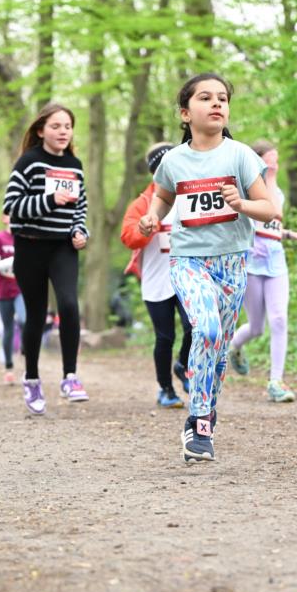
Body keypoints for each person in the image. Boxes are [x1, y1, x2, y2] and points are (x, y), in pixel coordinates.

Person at [139, 74, 277, 464]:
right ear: (186, 113)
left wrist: (241, 204)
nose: (216, 103)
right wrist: (152, 217)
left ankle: (205, 410)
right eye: (205, 98)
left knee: (216, 352)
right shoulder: (173, 160)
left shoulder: (240, 155)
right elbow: (162, 198)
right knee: (207, 328)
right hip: (188, 260)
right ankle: (198, 422)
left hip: (233, 261)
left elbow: (269, 210)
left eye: (222, 98)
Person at [3, 101, 89, 414]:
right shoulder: (28, 162)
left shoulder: (74, 164)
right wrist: (50, 199)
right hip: (30, 246)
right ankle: (32, 379)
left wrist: (81, 231)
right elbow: (12, 206)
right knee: (36, 314)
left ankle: (70, 377)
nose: (63, 131)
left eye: (67, 126)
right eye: (56, 126)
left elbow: (80, 207)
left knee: (69, 304)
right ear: (41, 131)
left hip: (63, 247)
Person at [229, 139, 297, 401]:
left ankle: (276, 381)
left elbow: (274, 221)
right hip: (252, 261)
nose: (275, 164)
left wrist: (293, 235)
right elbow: (254, 218)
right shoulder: (246, 189)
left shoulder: (277, 191)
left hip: (276, 260)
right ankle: (234, 347)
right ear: (258, 162)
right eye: (271, 160)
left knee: (279, 319)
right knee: (256, 327)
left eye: (277, 160)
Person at [121, 141, 192, 409]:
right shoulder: (143, 203)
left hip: (187, 274)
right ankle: (165, 389)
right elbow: (127, 237)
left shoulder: (189, 196)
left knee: (194, 326)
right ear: (155, 172)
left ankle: (183, 365)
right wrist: (144, 229)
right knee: (164, 337)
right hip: (156, 280)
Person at [0, 213, 24, 385]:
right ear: (4, 218)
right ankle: (9, 367)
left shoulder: (24, 237)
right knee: (8, 329)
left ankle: (28, 364)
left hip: (22, 289)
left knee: (25, 320)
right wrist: (14, 260)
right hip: (3, 291)